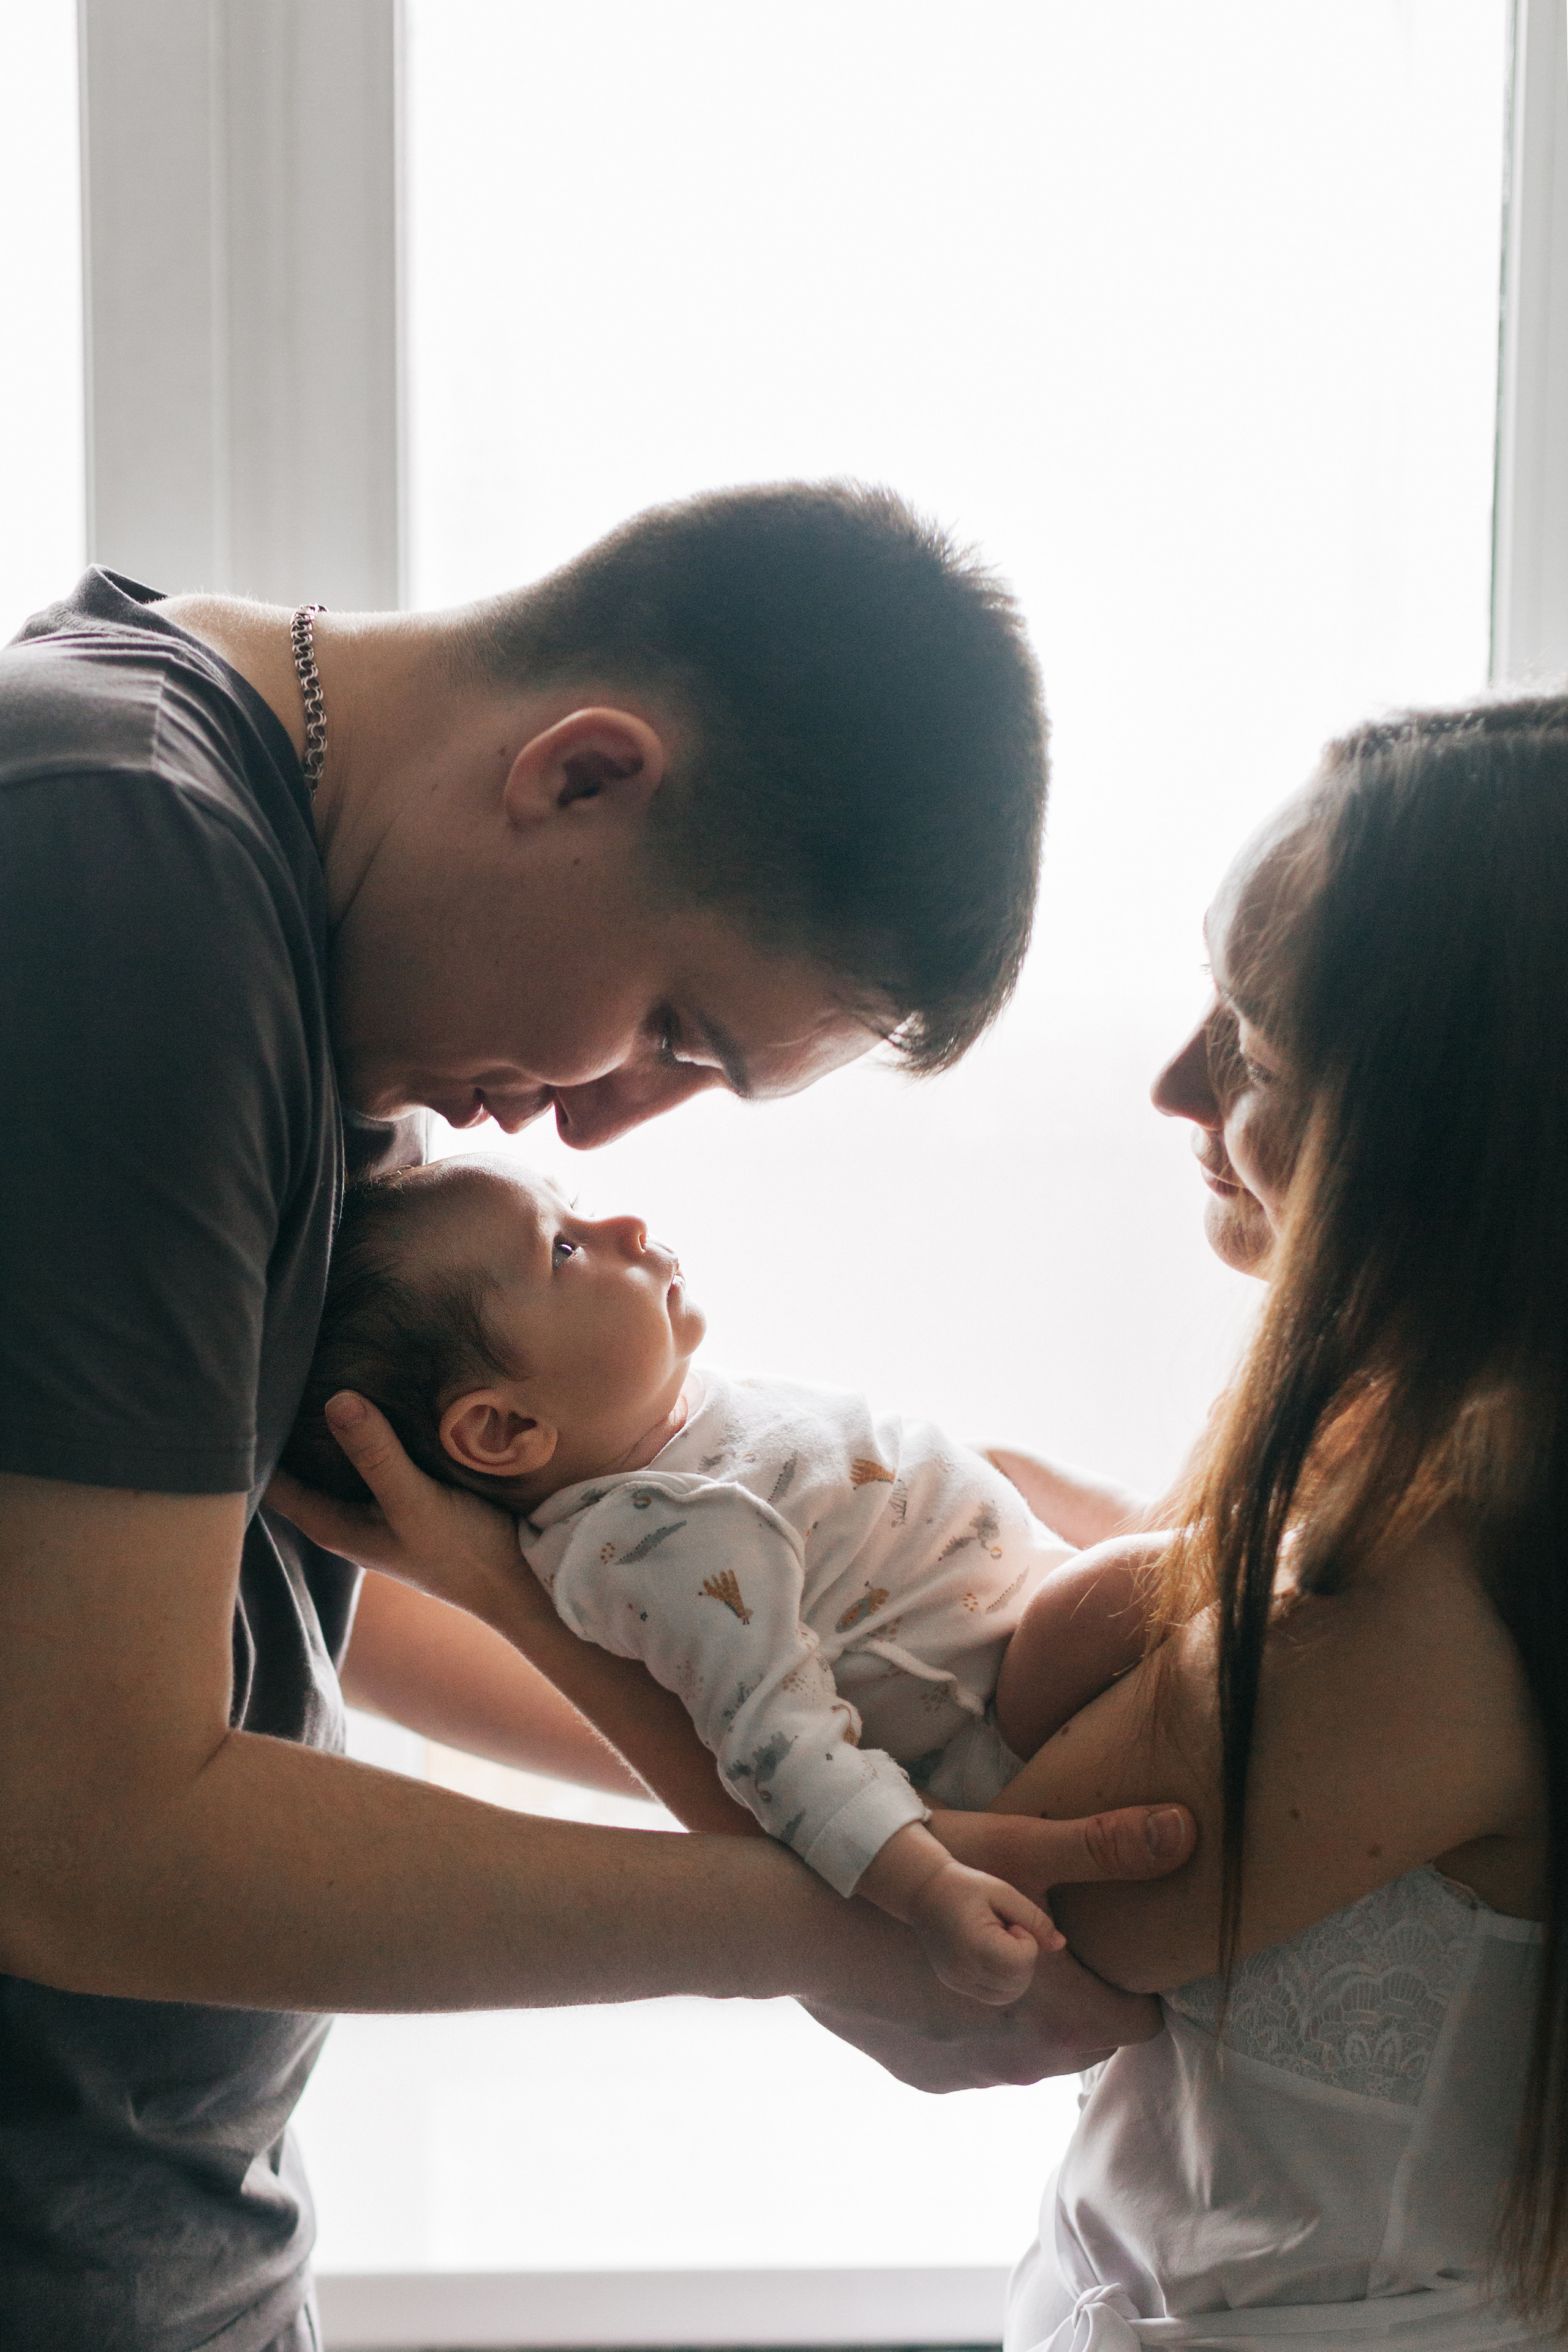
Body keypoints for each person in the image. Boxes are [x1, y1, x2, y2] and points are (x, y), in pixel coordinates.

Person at [0, 481, 1195, 2352]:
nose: (601, 1130)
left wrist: (849, 1811)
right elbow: (79, 1831)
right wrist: (816, 1930)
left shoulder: (270, 935)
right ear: (581, 775)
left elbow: (313, 1573)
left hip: (157, 2246)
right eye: (672, 1031)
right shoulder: (127, 879)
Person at [980, 696, 1565, 2348]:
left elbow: (1000, 1927)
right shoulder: (1417, 1449)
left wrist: (540, 1598)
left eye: (1255, 1044)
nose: (1178, 1083)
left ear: (1461, 1139)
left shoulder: (1426, 1574)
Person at [278, 1158, 1162, 2000]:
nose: (623, 1224)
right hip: (1002, 1700)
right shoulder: (672, 1542)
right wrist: (931, 1890)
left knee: (1020, 1473)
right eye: (563, 1248)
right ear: (505, 1430)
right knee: (1103, 1595)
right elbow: (782, 1751)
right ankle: (1245, 1558)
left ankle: (1194, 1534)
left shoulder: (664, 1427)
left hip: (992, 1588)